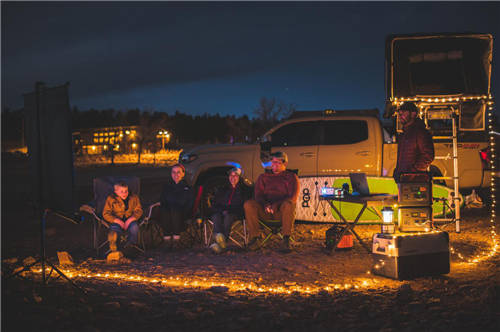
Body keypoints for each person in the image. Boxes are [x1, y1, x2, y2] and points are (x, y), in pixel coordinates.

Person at [244, 151, 300, 253]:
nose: (273, 165)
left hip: (281, 213)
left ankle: (286, 240)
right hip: (265, 211)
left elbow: (293, 197)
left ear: (285, 164)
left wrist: (276, 205)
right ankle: (255, 238)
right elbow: (258, 195)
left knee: (289, 204)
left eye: (277, 162)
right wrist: (266, 204)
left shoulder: (291, 177)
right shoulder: (263, 177)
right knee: (249, 204)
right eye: (272, 162)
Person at [209, 167, 250, 253]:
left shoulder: (244, 190)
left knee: (228, 217)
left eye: (235, 176)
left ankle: (221, 242)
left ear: (239, 178)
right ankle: (220, 243)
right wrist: (221, 210)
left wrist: (229, 210)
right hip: (221, 211)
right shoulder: (223, 189)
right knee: (216, 217)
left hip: (235, 212)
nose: (233, 178)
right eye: (231, 176)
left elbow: (242, 205)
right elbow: (215, 203)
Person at [393, 101, 435, 183]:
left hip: (415, 181)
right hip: (403, 179)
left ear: (413, 114)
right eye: (399, 112)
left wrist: (412, 172)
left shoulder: (420, 132)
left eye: (404, 112)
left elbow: (428, 156)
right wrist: (397, 171)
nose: (400, 115)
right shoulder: (403, 134)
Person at [102, 181, 143, 256]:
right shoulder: (111, 199)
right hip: (116, 221)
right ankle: (114, 246)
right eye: (121, 192)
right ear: (116, 192)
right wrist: (116, 220)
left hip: (130, 220)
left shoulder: (134, 197)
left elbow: (139, 210)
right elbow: (106, 213)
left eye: (126, 191)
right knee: (115, 230)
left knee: (134, 228)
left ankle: (130, 246)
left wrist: (132, 218)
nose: (124, 193)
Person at [159, 164, 194, 241]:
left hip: (182, 215)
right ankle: (167, 238)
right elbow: (162, 200)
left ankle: (176, 238)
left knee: (174, 209)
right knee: (164, 209)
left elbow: (188, 203)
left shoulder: (187, 188)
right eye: (173, 172)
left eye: (178, 172)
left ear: (183, 174)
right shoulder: (167, 187)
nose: (176, 175)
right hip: (167, 214)